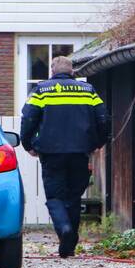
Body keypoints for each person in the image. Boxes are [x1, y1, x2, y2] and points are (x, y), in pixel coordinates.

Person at [20, 56, 109, 257]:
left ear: (52, 71)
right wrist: (98, 143)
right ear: (72, 71)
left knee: (55, 197)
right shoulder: (88, 91)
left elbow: (29, 118)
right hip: (80, 152)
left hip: (51, 153)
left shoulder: (42, 90)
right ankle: (68, 246)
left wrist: (28, 145)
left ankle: (65, 231)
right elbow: (103, 118)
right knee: (74, 197)